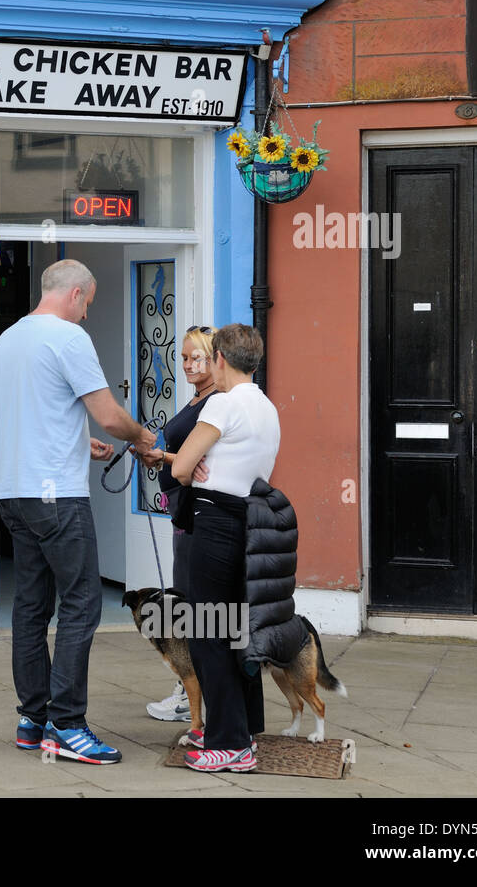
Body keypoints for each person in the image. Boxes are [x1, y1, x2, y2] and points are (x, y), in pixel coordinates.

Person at [0, 259, 157, 765]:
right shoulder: (68, 338)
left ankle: (32, 719)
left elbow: (31, 412)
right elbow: (110, 414)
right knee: (82, 604)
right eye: (88, 303)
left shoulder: (9, 339)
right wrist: (145, 439)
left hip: (15, 493)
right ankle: (68, 725)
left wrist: (77, 441)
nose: (87, 315)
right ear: (77, 293)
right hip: (58, 496)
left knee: (31, 607)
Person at [171, 323, 281, 773]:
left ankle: (228, 742)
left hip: (215, 521)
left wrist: (190, 462)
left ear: (219, 359)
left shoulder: (222, 402)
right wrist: (199, 461)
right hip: (250, 520)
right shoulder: (267, 407)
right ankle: (245, 731)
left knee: (207, 631)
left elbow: (180, 468)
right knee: (237, 630)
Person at [143, 326, 218, 725]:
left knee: (188, 604)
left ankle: (189, 691)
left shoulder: (215, 403)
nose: (188, 364)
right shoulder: (198, 398)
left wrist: (164, 458)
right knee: (184, 601)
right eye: (185, 357)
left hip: (194, 514)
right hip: (182, 512)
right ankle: (190, 687)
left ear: (214, 358)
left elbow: (196, 462)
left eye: (197, 358)